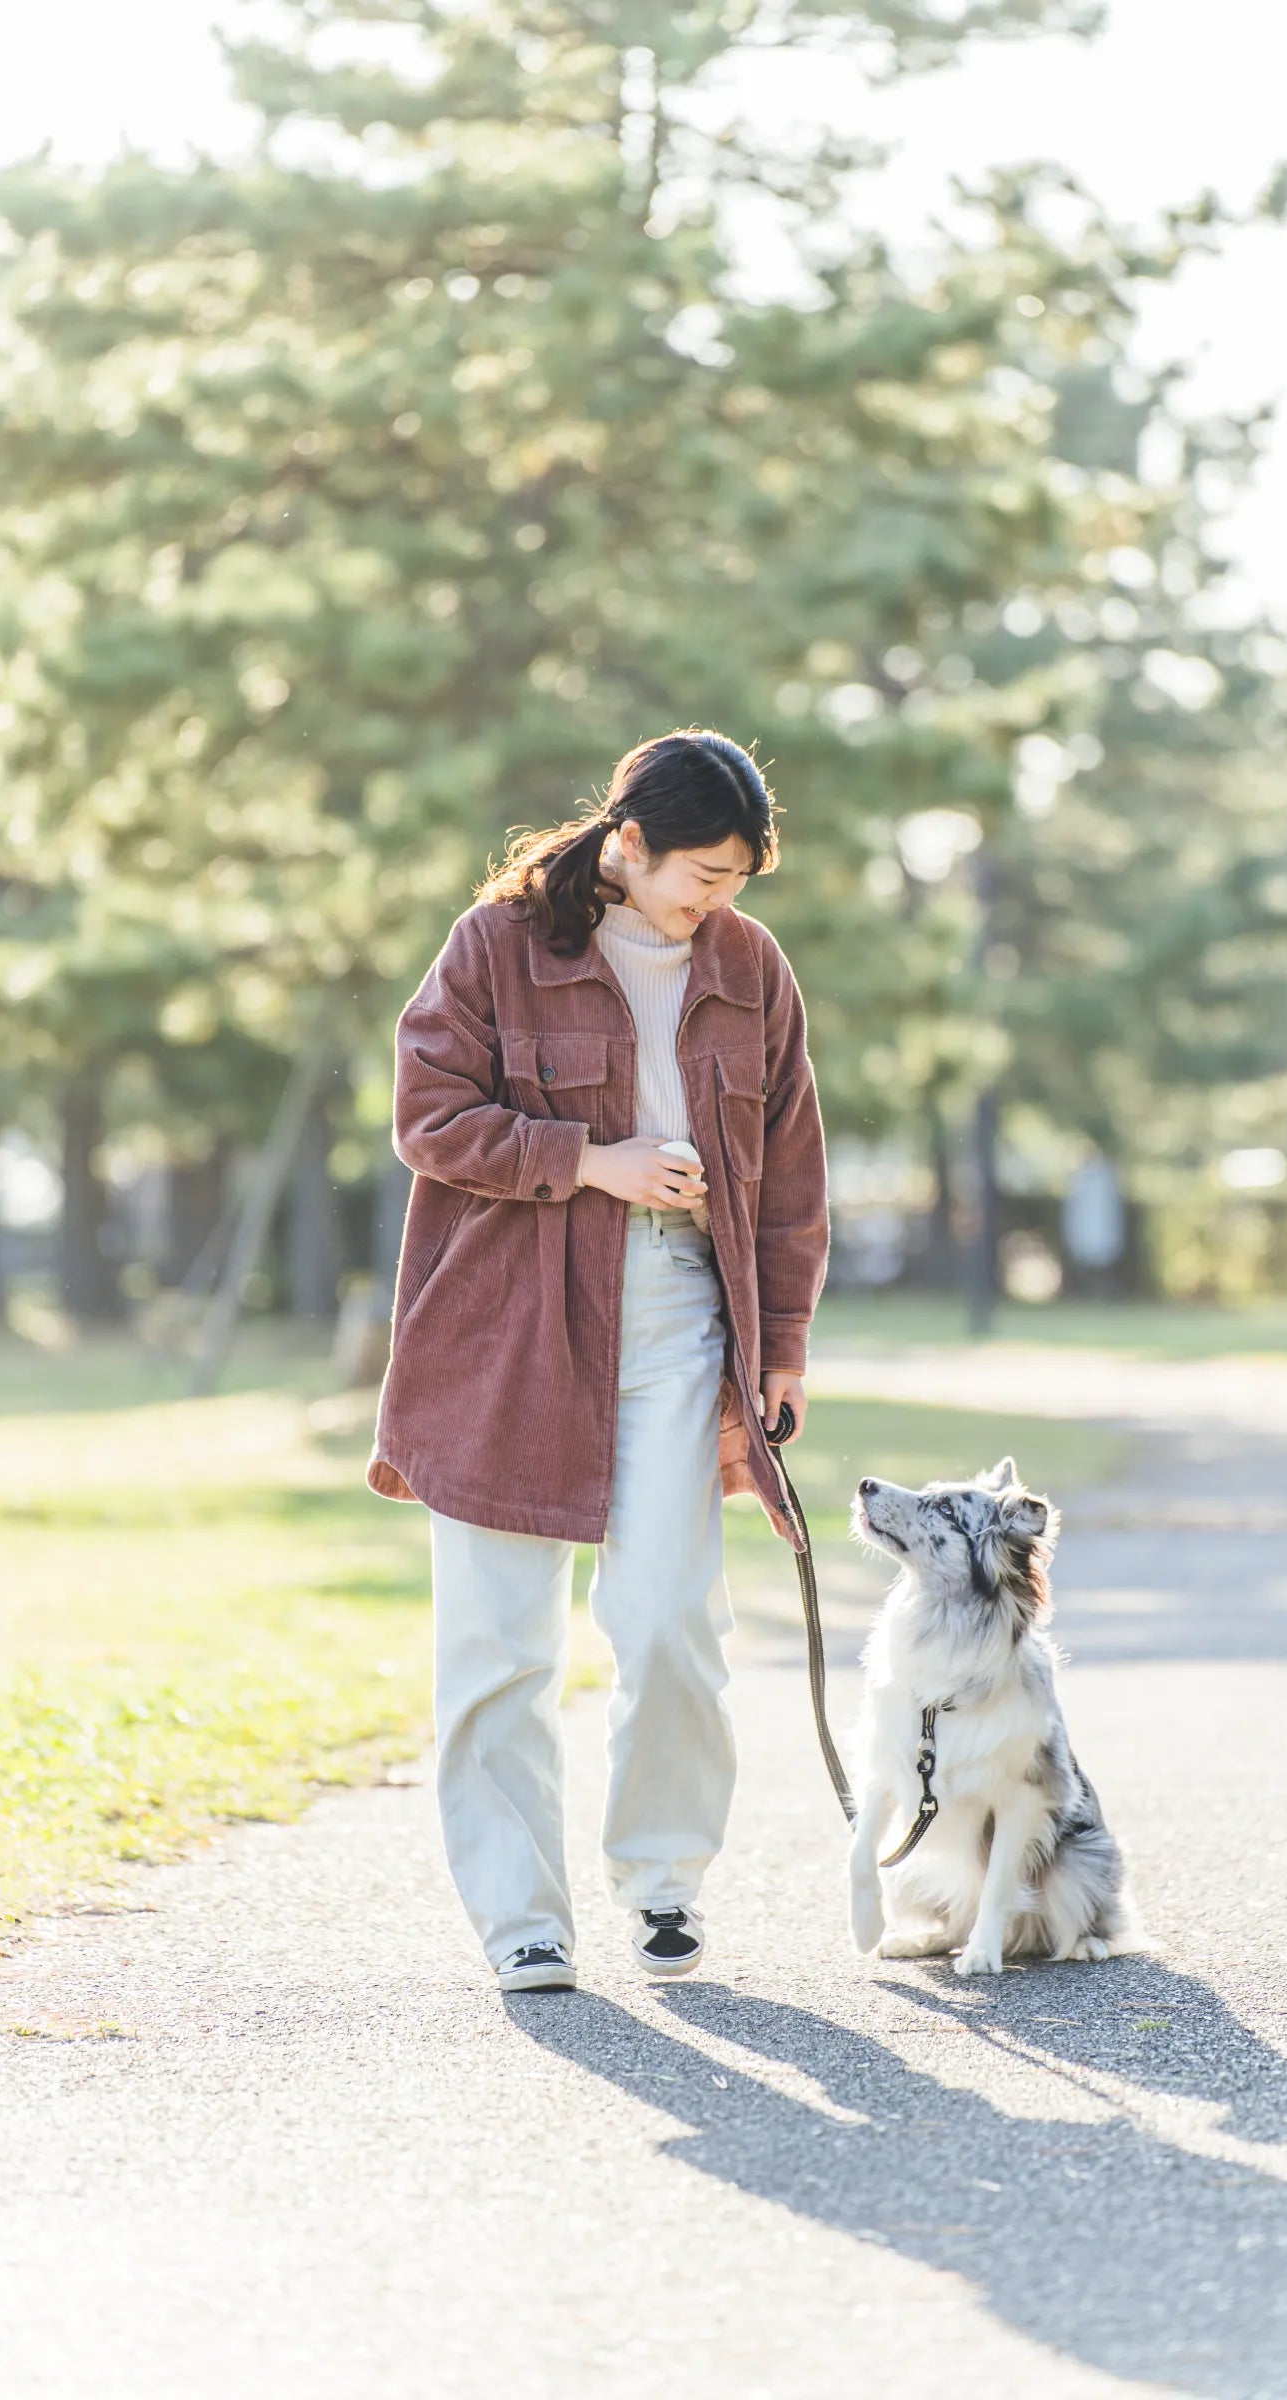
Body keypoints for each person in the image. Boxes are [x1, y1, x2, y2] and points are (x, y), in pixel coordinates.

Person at [367, 729, 830, 1993]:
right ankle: (521, 1917)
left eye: (737, 882)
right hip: (504, 1325)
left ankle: (664, 1880)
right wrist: (588, 1161)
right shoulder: (496, 946)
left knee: (674, 1616)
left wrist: (782, 1346)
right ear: (628, 843)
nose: (715, 904)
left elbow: (791, 1168)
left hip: (680, 1315)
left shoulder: (748, 966)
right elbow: (427, 1118)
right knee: (500, 1645)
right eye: (702, 876)